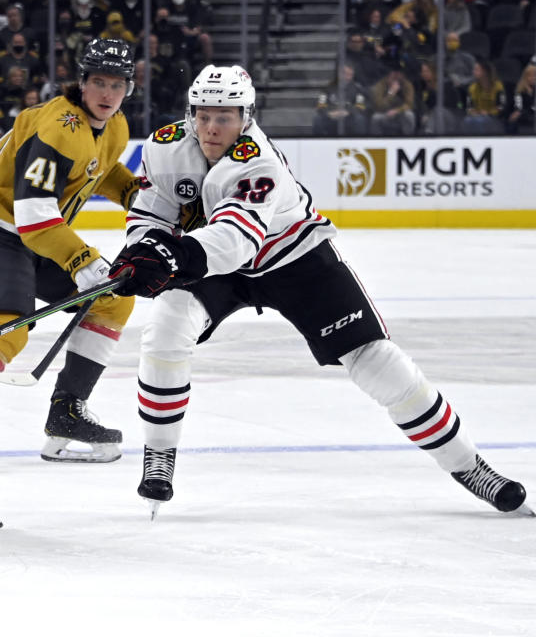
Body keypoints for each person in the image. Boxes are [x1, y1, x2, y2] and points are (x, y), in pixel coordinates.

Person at [108, 64, 531, 519]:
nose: (212, 127)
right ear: (190, 112)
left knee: (378, 362)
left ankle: (470, 466)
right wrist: (142, 249)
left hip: (294, 260)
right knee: (165, 330)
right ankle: (160, 454)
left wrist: (173, 257)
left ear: (247, 116)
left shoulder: (259, 161)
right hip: (210, 260)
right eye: (204, 114)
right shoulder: (165, 145)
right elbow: (151, 210)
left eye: (225, 116)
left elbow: (235, 240)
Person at [0, 39, 143, 472]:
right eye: (99, 82)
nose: (107, 94)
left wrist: (141, 199)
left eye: (117, 85)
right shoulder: (60, 127)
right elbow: (34, 215)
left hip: (35, 234)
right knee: (8, 324)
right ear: (82, 83)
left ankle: (68, 413)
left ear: (129, 89)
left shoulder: (114, 125)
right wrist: (82, 260)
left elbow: (99, 169)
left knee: (113, 298)